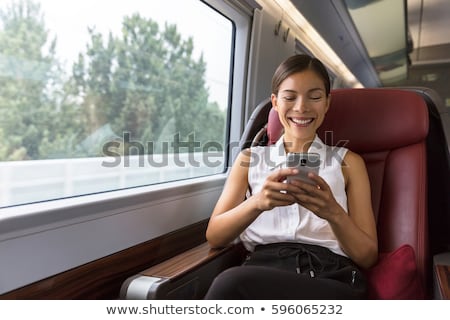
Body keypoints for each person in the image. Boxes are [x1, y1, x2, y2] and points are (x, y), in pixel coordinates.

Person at [204, 54, 378, 299]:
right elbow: (215, 236)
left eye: (315, 97)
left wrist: (332, 212)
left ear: (327, 103)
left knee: (231, 283)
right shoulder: (249, 159)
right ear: (275, 103)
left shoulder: (349, 162)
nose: (301, 107)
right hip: (261, 273)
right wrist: (257, 203)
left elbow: (368, 257)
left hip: (329, 277)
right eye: (290, 97)